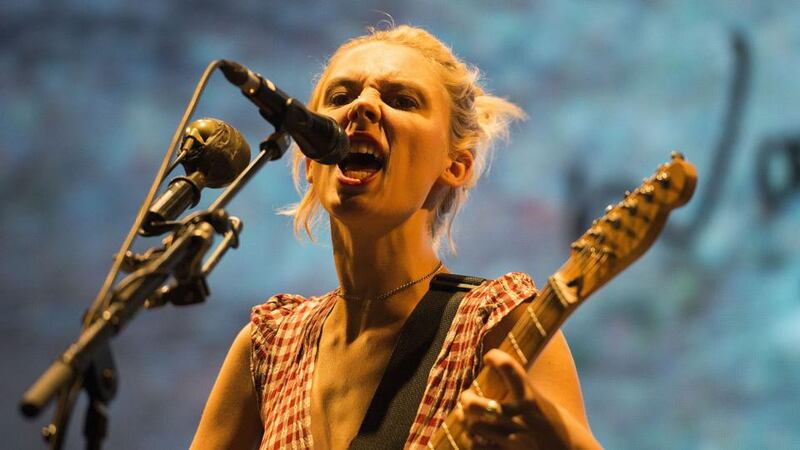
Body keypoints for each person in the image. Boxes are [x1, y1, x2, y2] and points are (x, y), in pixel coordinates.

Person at [191, 25, 601, 449]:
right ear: (310, 159)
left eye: (402, 100)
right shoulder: (270, 348)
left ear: (455, 165)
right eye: (341, 97)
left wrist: (561, 441)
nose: (363, 106)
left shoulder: (497, 324)